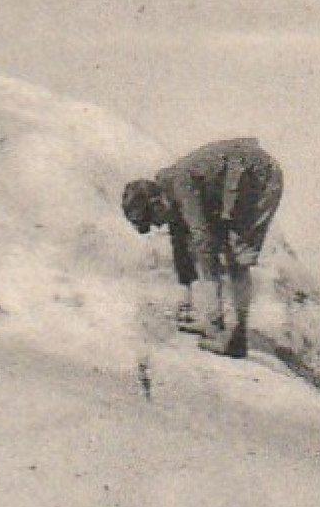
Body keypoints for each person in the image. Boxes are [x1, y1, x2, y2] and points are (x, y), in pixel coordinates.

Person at [122, 138, 284, 359]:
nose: (157, 225)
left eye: (153, 219)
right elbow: (180, 245)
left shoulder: (179, 185)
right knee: (209, 242)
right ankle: (216, 323)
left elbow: (203, 239)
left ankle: (237, 337)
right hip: (233, 181)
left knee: (236, 253)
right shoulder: (171, 196)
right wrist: (185, 298)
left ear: (158, 201)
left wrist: (212, 315)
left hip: (256, 175)